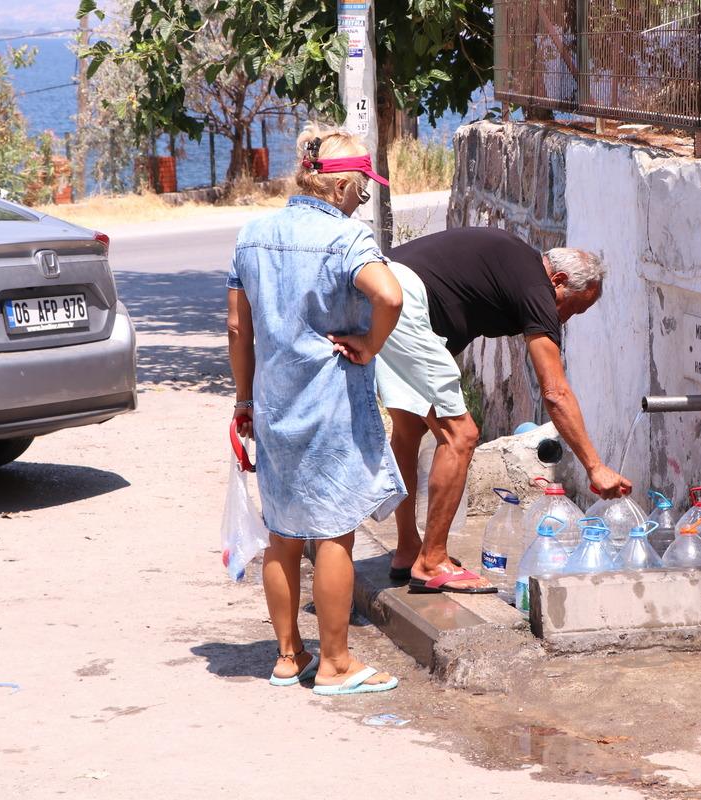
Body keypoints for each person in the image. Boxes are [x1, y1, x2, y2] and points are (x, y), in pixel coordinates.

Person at [226, 123, 405, 695]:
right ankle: (335, 664)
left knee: (282, 532)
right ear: (342, 185)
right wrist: (370, 345)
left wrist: (244, 400)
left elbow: (237, 327)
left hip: (275, 405)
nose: (362, 196)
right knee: (333, 533)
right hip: (331, 405)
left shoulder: (252, 235)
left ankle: (286, 657)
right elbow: (390, 295)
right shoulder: (347, 240)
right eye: (361, 187)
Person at [369, 226, 632, 593]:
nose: (566, 320)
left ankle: (409, 549)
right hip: (405, 304)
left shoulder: (515, 263)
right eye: (574, 307)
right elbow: (554, 391)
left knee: (410, 429)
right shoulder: (535, 287)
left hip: (378, 291)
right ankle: (431, 561)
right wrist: (595, 466)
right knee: (461, 434)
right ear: (558, 280)